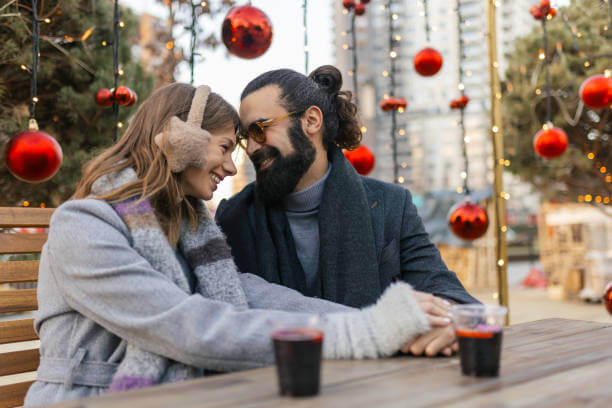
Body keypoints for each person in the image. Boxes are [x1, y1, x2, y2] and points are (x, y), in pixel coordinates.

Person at [24, 83, 454, 407]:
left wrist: (389, 320)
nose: (232, 166)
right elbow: (187, 326)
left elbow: (249, 292)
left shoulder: (190, 232)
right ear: (179, 136)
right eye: (227, 147)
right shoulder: (82, 226)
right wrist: (368, 332)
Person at [215, 65, 479, 359]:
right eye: (245, 138)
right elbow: (223, 316)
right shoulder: (233, 218)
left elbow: (451, 295)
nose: (251, 148)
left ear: (311, 120)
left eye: (260, 130)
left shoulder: (391, 206)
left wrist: (452, 320)